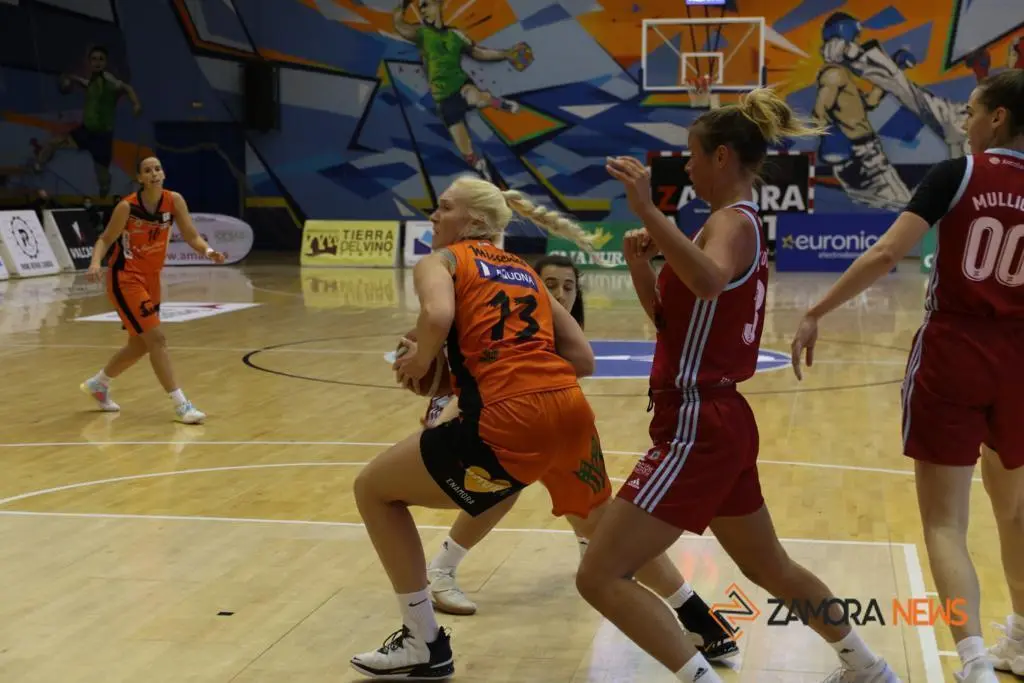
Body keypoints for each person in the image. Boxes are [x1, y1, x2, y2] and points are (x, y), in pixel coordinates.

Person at [575, 88, 899, 683]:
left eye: (693, 156)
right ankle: (868, 666)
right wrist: (642, 268)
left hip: (697, 424)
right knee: (771, 567)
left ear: (721, 156)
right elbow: (674, 324)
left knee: (598, 575)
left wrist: (648, 211)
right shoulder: (725, 225)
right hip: (718, 421)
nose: (687, 168)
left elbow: (708, 280)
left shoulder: (730, 222)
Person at [791, 69, 1024, 683]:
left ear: (998, 117)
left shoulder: (957, 173)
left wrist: (817, 310)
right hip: (1019, 360)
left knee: (946, 521)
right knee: (1015, 510)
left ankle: (974, 661)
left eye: (971, 110)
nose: (965, 121)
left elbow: (887, 253)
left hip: (955, 351)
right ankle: (1023, 642)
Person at [420, 253, 739, 661]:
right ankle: (441, 570)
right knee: (506, 493)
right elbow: (473, 382)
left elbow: (577, 364)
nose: (559, 294)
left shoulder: (556, 331)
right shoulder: (507, 323)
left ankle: (689, 613)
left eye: (568, 287)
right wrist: (441, 416)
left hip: (556, 428)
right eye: (550, 285)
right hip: (518, 426)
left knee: (602, 524)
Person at [348, 175, 604, 679]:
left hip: (507, 418)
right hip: (568, 410)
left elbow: (437, 314)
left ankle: (423, 638)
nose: (433, 216)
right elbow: (584, 358)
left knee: (372, 490)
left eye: (444, 207)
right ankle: (692, 614)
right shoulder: (524, 272)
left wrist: (422, 360)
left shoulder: (442, 261)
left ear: (475, 221)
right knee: (591, 517)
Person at [80, 156, 224, 424]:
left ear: (163, 173)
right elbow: (105, 239)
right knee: (157, 340)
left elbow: (192, 236)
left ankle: (99, 384)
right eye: (147, 170)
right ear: (140, 178)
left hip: (152, 279)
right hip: (125, 278)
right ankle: (181, 405)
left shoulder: (174, 200)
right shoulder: (127, 207)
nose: (154, 173)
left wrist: (209, 251)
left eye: (157, 168)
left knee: (139, 345)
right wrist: (95, 262)